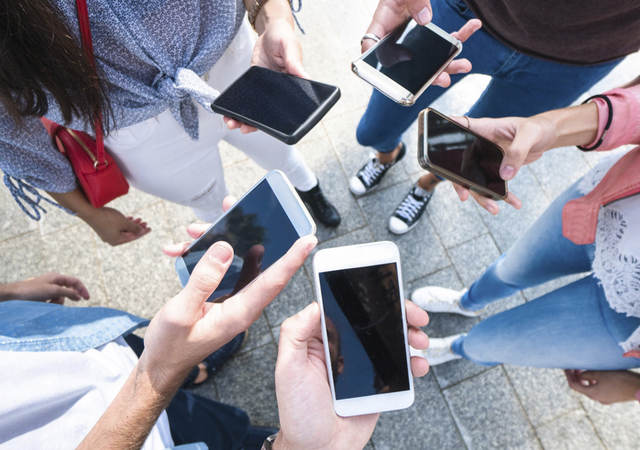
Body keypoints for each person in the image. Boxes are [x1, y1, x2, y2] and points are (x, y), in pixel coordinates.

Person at [0, 233, 430, 448]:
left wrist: (10, 293)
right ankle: (185, 368)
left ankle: (194, 368)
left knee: (221, 421)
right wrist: (160, 372)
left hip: (79, 346)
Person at [0, 0, 340, 249]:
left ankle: (308, 189)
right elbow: (10, 126)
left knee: (280, 150)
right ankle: (245, 251)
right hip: (133, 127)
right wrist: (89, 213)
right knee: (209, 200)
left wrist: (273, 13)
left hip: (235, 63)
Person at [350, 0, 640, 234]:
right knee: (373, 130)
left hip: (576, 60)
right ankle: (388, 155)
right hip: (467, 12)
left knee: (461, 156)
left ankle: (426, 185)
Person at [409, 84, 640, 374]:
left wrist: (633, 390)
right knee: (512, 268)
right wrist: (546, 128)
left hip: (632, 321)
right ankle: (467, 301)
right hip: (611, 201)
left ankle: (460, 347)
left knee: (490, 343)